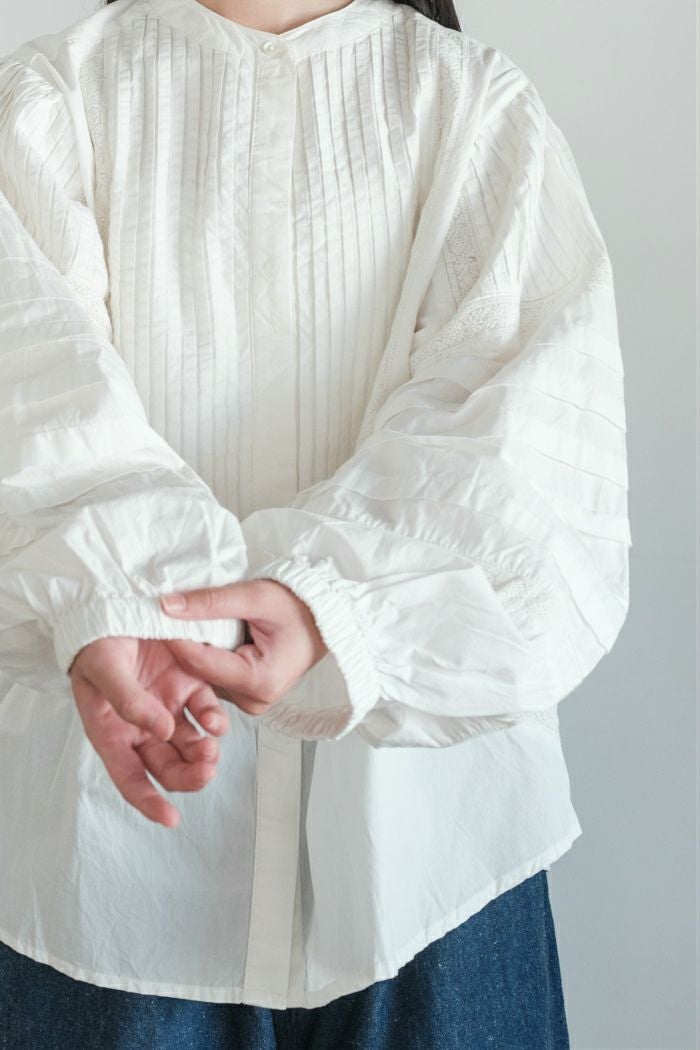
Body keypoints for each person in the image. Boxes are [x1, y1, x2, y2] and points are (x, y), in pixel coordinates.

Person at [0, 0, 631, 1045]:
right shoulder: (44, 106)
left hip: (433, 865)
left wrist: (335, 612)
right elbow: (27, 400)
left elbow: (532, 458)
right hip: (106, 873)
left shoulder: (476, 105)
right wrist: (122, 601)